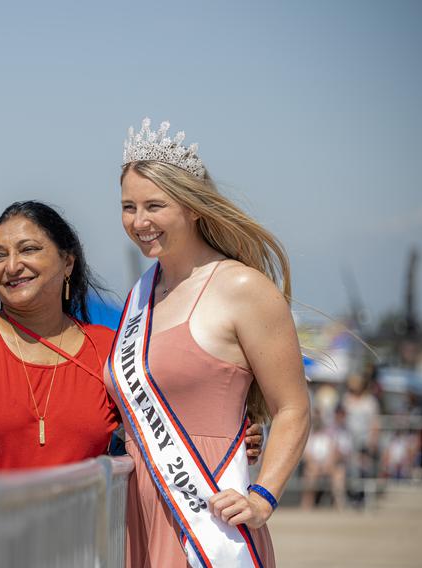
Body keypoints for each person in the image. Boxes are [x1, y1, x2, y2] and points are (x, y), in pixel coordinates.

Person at [0, 201, 263, 501]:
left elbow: (162, 430)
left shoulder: (111, 349)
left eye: (29, 249)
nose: (11, 266)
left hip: (78, 552)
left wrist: (226, 440)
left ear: (67, 262)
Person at [109, 118, 310, 567]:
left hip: (209, 519)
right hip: (139, 513)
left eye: (154, 205)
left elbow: (293, 406)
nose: (139, 221)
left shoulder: (242, 287)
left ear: (194, 207)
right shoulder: (139, 296)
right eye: (128, 207)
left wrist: (263, 497)